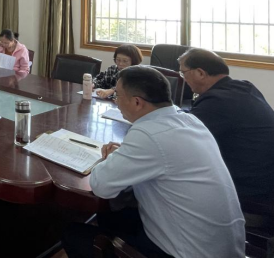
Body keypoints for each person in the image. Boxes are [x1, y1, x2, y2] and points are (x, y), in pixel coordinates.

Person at [62, 66, 244, 258]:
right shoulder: (190, 121)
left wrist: (107, 159)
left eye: (118, 96)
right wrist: (125, 156)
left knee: (73, 233)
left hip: (186, 252)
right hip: (224, 247)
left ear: (137, 102)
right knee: (111, 215)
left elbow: (101, 186)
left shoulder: (148, 134)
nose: (116, 101)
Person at [178, 48, 274, 207]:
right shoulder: (244, 87)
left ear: (200, 73)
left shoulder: (218, 101)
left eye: (183, 73)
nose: (183, 78)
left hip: (249, 194)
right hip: (264, 181)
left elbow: (179, 138)